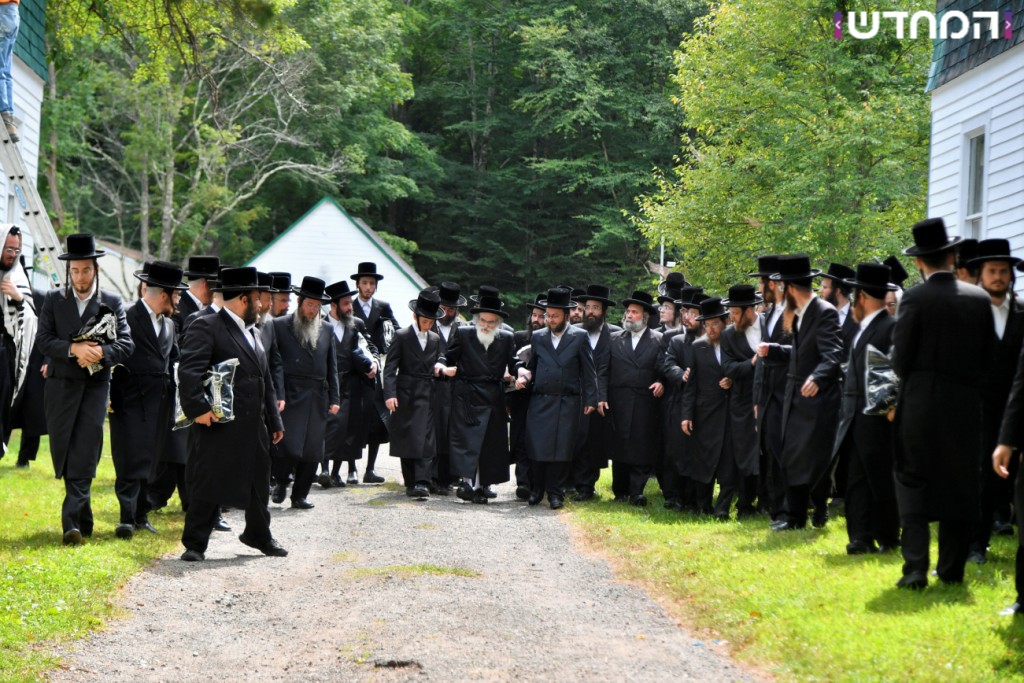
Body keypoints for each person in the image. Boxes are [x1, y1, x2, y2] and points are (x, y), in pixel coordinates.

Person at [892, 218, 994, 589]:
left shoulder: (915, 299)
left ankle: (916, 567)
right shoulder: (980, 299)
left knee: (912, 479)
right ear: (952, 256)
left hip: (920, 401)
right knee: (961, 482)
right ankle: (952, 569)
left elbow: (900, 358)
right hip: (966, 404)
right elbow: (989, 358)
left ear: (920, 262)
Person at [178, 267, 285, 562]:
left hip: (255, 424)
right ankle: (195, 543)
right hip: (218, 422)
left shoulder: (258, 331)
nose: (262, 304)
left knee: (259, 481)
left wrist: (274, 420)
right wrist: (197, 409)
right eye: (256, 298)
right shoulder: (207, 325)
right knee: (208, 481)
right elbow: (189, 373)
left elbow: (266, 379)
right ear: (242, 299)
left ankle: (258, 535)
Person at [36, 234, 134, 545]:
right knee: (64, 450)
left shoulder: (112, 303)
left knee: (86, 450)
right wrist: (72, 349)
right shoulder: (54, 301)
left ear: (96, 269)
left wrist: (101, 353)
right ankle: (84, 517)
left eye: (86, 270)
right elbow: (44, 341)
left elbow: (127, 344)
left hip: (94, 389)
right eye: (75, 271)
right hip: (59, 389)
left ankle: (71, 524)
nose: (80, 277)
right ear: (69, 271)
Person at [759, 254, 843, 531]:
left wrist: (818, 377)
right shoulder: (797, 315)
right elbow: (800, 352)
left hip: (817, 400)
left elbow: (833, 354)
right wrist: (774, 350)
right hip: (793, 395)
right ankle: (794, 517)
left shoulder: (824, 312)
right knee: (790, 455)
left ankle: (819, 508)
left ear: (792, 289)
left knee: (815, 457)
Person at [109, 261, 186, 539]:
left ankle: (141, 515)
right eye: (176, 295)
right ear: (164, 294)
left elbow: (175, 359)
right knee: (129, 457)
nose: (178, 301)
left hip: (160, 400)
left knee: (151, 459)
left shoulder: (170, 325)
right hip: (130, 398)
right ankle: (126, 518)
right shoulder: (127, 317)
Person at [831, 263, 900, 555]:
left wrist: (891, 407)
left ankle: (886, 535)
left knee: (879, 476)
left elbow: (896, 370)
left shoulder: (890, 327)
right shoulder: (862, 328)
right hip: (854, 416)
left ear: (861, 296)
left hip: (879, 416)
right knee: (856, 478)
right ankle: (859, 536)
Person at [966, 239, 1024, 564]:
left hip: (1017, 406)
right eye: (992, 271)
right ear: (981, 275)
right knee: (981, 476)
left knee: (1015, 475)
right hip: (980, 407)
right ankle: (977, 544)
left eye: (1003, 271)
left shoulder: (1022, 312)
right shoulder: (969, 312)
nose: (998, 277)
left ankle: (1009, 524)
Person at [516, 287, 599, 509]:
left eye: (554, 316)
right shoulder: (539, 337)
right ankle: (537, 490)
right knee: (537, 447)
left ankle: (556, 493)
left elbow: (589, 371)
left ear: (565, 315)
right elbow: (532, 366)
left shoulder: (580, 337)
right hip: (540, 401)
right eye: (547, 316)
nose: (550, 320)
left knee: (561, 450)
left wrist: (591, 399)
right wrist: (524, 375)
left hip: (567, 401)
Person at [441, 287, 517, 505]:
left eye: (491, 322)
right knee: (466, 441)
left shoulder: (506, 338)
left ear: (498, 323)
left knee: (490, 444)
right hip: (467, 396)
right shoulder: (464, 333)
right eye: (483, 320)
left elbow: (514, 363)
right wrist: (442, 366)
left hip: (493, 396)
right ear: (476, 319)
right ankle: (466, 482)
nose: (486, 325)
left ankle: (484, 484)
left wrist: (520, 371)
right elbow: (448, 356)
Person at [271, 277, 340, 510]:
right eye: (309, 305)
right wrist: (278, 394)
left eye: (317, 306)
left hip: (317, 395)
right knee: (288, 445)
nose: (313, 310)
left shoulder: (327, 329)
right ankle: (280, 481)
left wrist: (335, 398)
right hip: (290, 393)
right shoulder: (280, 326)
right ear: (300, 303)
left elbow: (332, 366)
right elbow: (276, 364)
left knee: (313, 449)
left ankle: (300, 495)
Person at [384, 289, 445, 499]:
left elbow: (439, 360)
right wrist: (389, 394)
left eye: (431, 322)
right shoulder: (402, 336)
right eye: (425, 321)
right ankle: (411, 481)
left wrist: (440, 368)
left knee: (426, 440)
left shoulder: (435, 339)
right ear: (415, 317)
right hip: (405, 392)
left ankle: (422, 482)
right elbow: (390, 367)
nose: (428, 325)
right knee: (407, 437)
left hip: (428, 393)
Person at [607, 291, 664, 505]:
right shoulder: (614, 339)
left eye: (634, 312)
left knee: (642, 445)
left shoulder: (659, 340)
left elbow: (664, 368)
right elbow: (604, 370)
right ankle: (620, 491)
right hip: (618, 401)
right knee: (620, 445)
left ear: (645, 317)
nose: (629, 315)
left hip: (645, 402)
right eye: (628, 311)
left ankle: (636, 491)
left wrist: (661, 382)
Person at [681, 297, 737, 518]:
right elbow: (690, 385)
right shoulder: (698, 346)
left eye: (715, 324)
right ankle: (703, 505)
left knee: (728, 463)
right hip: (705, 413)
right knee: (703, 462)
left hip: (732, 413)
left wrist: (732, 381)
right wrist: (686, 415)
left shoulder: (736, 343)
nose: (711, 329)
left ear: (725, 322)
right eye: (707, 324)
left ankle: (722, 508)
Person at [319, 280, 376, 488]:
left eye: (350, 303)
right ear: (334, 305)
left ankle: (335, 472)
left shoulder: (355, 325)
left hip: (351, 384)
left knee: (346, 429)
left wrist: (372, 365)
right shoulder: (320, 325)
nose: (350, 307)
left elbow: (362, 349)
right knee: (329, 427)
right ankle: (324, 469)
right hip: (328, 385)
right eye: (345, 304)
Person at [750, 255, 790, 522]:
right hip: (766, 396)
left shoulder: (792, 312)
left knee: (782, 455)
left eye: (762, 281)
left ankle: (787, 509)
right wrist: (757, 397)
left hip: (785, 393)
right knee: (769, 452)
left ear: (774, 283)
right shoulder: (770, 312)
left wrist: (775, 350)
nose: (761, 288)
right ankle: (776, 508)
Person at [350, 261, 397, 484]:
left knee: (376, 419)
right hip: (353, 368)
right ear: (358, 284)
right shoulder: (348, 306)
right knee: (352, 418)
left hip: (376, 368)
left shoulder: (383, 307)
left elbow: (395, 331)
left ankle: (370, 468)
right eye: (365, 283)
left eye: (372, 283)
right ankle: (351, 467)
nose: (368, 287)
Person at [719, 284, 764, 517]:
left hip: (769, 398)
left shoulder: (770, 325)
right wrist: (752, 363)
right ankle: (745, 504)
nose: (731, 317)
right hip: (742, 402)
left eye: (735, 313)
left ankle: (768, 502)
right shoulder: (728, 335)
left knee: (768, 449)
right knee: (746, 451)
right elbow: (727, 367)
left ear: (749, 310)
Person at [571, 284, 619, 501]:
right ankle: (571, 483)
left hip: (603, 399)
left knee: (594, 443)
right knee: (575, 441)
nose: (590, 311)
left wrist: (601, 396)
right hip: (576, 396)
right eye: (587, 307)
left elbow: (609, 369)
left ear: (603, 311)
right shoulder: (574, 332)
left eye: (595, 308)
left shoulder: (616, 334)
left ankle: (587, 486)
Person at [430, 282, 468, 494]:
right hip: (433, 388)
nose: (449, 312)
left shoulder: (462, 329)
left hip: (455, 390)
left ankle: (450, 476)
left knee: (452, 434)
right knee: (434, 434)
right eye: (445, 308)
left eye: (452, 309)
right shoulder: (429, 325)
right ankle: (432, 477)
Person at [0, 224, 36, 449]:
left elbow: (31, 317)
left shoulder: (18, 277)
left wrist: (18, 297)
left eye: (16, 250)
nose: (12, 255)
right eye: (8, 249)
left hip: (4, 351)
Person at [508, 293, 546, 499]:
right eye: (534, 315)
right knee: (521, 439)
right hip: (521, 397)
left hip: (543, 398)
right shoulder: (518, 337)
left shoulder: (551, 340)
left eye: (541, 316)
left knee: (538, 440)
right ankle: (522, 482)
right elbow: (511, 364)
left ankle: (538, 482)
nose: (536, 320)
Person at [0, 0, 19, 143]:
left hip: (2, 11)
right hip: (12, 13)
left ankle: (4, 112)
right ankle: (10, 120)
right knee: (5, 70)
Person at [178, 256, 219, 322]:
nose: (215, 293)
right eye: (214, 287)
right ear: (205, 285)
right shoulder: (177, 307)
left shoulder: (211, 307)